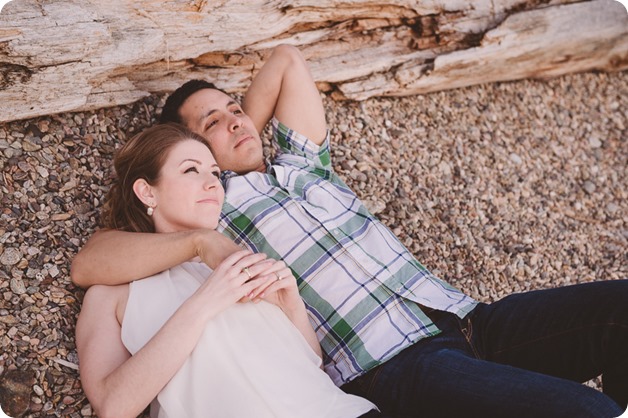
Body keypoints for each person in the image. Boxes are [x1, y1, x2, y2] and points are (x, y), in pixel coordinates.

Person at [72, 45, 628, 417]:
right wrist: (207, 179)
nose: (235, 120)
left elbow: (288, 59)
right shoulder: (211, 204)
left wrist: (239, 129)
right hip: (392, 366)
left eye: (234, 108)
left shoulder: (303, 166)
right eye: (210, 123)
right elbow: (95, 260)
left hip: (466, 317)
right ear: (187, 152)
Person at [74, 123, 379, 418]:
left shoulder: (232, 261)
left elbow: (309, 371)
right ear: (147, 192)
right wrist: (205, 302)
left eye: (215, 173)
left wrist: (292, 307)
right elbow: (112, 406)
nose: (212, 184)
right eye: (191, 170)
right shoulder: (111, 292)